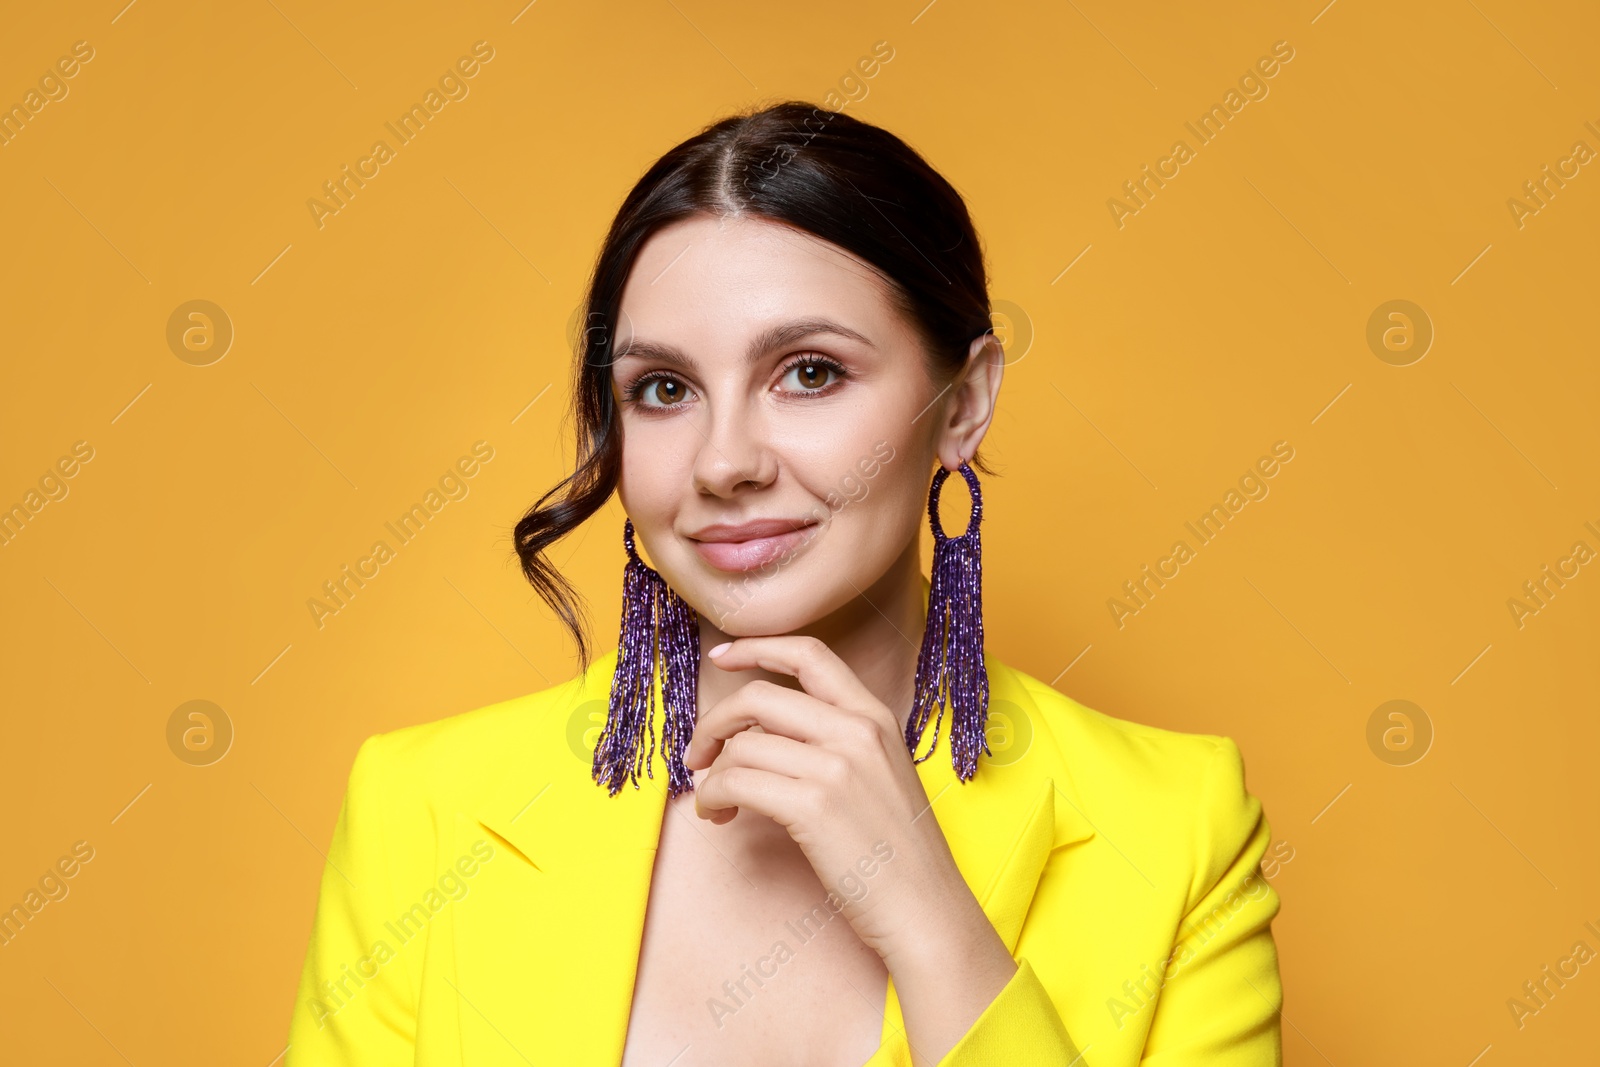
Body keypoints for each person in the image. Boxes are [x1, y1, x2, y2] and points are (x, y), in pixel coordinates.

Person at [286, 99, 1284, 1067]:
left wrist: (927, 915)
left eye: (808, 371)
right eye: (663, 389)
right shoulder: (424, 809)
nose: (724, 462)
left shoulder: (1176, 828)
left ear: (962, 402)